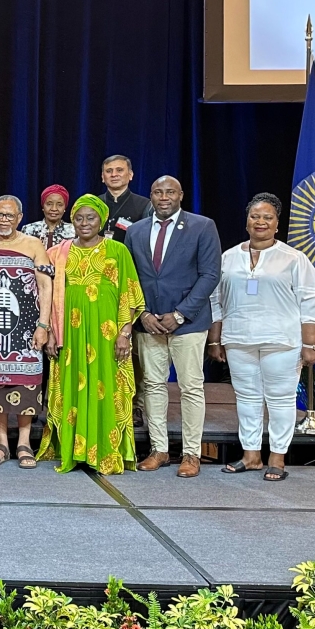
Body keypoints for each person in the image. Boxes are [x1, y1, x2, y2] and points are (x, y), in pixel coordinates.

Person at [209, 193, 315, 482]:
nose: (260, 221)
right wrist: (215, 340)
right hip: (238, 339)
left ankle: (277, 456)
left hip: (282, 341)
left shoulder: (293, 258)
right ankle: (251, 455)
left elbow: (313, 299)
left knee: (280, 400)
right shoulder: (229, 257)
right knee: (247, 399)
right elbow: (216, 300)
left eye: (267, 217)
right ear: (247, 221)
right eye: (255, 216)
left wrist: (310, 344)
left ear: (277, 224)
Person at [38, 194, 145, 475]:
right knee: (72, 387)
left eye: (91, 218)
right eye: (79, 218)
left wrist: (124, 333)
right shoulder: (57, 253)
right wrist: (49, 333)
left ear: (102, 220)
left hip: (106, 335)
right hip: (70, 336)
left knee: (105, 389)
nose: (84, 223)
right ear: (71, 221)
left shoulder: (117, 251)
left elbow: (129, 294)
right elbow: (46, 298)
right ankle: (74, 451)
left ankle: (105, 452)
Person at [127, 176, 222, 478]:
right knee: (152, 386)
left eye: (170, 192)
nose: (163, 197)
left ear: (181, 195)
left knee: (190, 387)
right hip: (149, 323)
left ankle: (192, 454)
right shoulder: (135, 231)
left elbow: (210, 275)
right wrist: (141, 314)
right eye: (157, 192)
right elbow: (132, 279)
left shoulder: (202, 226)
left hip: (188, 323)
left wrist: (180, 314)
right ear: (151, 196)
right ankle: (159, 450)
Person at [0, 196, 52, 470]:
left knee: (26, 383)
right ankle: (1, 444)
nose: (4, 220)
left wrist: (43, 325)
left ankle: (23, 442)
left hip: (28, 330)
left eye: (9, 215)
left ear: (20, 217)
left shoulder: (33, 244)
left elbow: (46, 287)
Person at [97, 155, 152, 243]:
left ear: (130, 175)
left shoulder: (145, 205)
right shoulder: (94, 203)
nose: (114, 175)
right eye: (109, 171)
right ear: (103, 177)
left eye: (119, 170)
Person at [21, 184, 76, 251]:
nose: (54, 208)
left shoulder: (74, 231)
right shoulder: (28, 230)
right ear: (43, 206)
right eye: (49, 204)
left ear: (65, 207)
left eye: (59, 205)